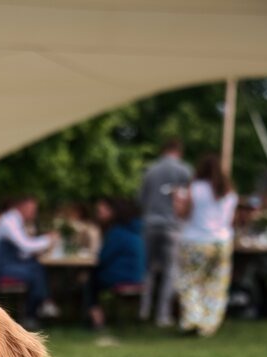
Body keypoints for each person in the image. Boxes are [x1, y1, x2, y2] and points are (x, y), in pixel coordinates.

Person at [175, 153, 238, 337]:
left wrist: (177, 200)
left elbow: (183, 214)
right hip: (222, 241)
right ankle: (209, 324)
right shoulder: (229, 191)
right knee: (216, 284)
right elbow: (230, 220)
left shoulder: (195, 188)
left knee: (190, 281)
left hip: (196, 240)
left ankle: (193, 318)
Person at [139, 138, 191, 327]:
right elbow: (188, 201)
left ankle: (143, 310)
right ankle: (162, 315)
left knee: (148, 269)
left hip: (150, 224)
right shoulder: (184, 170)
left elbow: (141, 199)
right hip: (172, 226)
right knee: (170, 270)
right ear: (179, 151)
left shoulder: (150, 170)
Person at [0, 197, 59, 325]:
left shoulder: (15, 220)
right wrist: (48, 239)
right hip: (2, 268)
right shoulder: (9, 221)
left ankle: (43, 304)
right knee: (35, 273)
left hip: (10, 264)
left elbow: (23, 251)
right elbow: (25, 245)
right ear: (22, 206)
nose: (34, 213)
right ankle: (35, 311)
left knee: (37, 267)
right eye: (32, 209)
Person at [87, 198, 145, 329]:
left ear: (112, 212)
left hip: (124, 277)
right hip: (138, 275)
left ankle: (96, 320)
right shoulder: (135, 229)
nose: (98, 214)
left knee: (90, 280)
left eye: (101, 211)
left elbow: (103, 258)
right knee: (93, 277)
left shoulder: (117, 232)